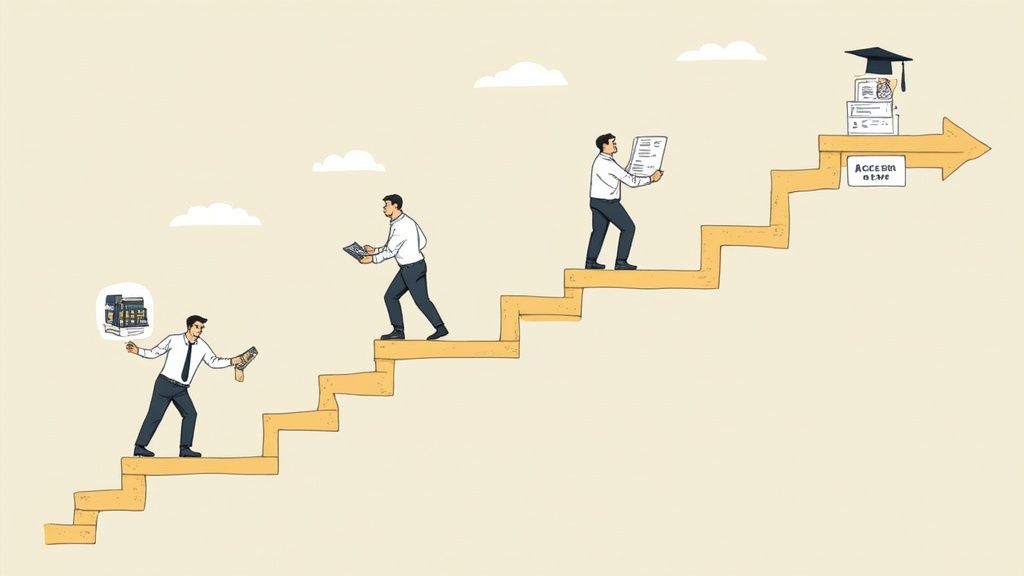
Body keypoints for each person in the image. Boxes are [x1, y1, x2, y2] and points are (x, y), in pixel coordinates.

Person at [127, 315, 252, 457]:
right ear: (189, 327)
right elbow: (154, 352)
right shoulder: (173, 339)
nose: (200, 330)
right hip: (164, 384)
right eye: (197, 326)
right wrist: (138, 351)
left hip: (181, 389)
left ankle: (185, 449)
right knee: (155, 415)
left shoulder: (202, 346)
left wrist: (233, 361)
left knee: (191, 414)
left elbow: (213, 361)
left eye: (201, 327)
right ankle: (139, 447)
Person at [360, 194, 448, 340]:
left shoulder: (402, 225)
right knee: (394, 297)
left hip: (412, 268)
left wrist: (372, 259)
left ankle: (409, 330)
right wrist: (374, 250)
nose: (384, 208)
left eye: (386, 204)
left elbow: (391, 251)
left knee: (415, 299)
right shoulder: (404, 221)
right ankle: (402, 331)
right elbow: (422, 242)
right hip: (412, 266)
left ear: (395, 206)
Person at [585, 133, 664, 270]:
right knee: (628, 228)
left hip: (596, 201)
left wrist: (630, 169)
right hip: (608, 202)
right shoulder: (607, 163)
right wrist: (651, 179)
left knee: (598, 232)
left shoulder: (601, 160)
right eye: (613, 143)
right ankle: (621, 261)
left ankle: (590, 261)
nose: (615, 145)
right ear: (604, 145)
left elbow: (620, 174)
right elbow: (631, 181)